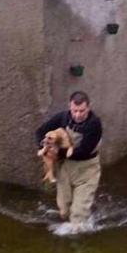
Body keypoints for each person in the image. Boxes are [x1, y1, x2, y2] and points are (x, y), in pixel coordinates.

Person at [35, 91, 103, 224]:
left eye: (82, 111)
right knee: (64, 210)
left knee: (78, 215)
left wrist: (56, 152)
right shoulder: (63, 117)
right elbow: (40, 131)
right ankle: (82, 213)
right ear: (69, 107)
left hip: (86, 169)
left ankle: (78, 233)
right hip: (65, 168)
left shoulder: (94, 124)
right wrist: (43, 148)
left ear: (88, 107)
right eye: (74, 110)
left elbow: (84, 151)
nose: (77, 115)